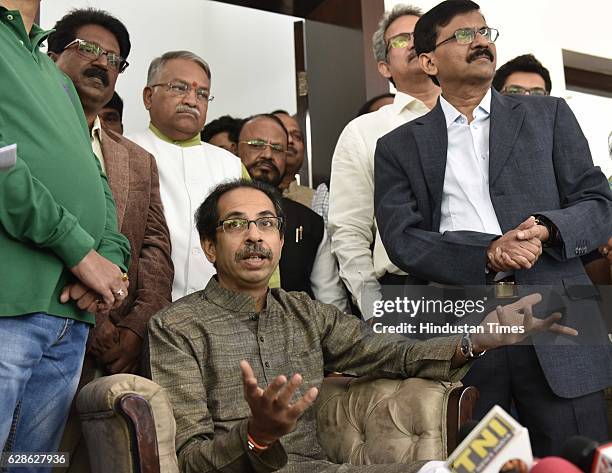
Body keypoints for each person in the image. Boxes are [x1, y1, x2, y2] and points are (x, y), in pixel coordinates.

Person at [147, 178, 574, 473]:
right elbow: (189, 460)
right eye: (236, 225)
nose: (254, 236)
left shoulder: (304, 312)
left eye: (267, 224)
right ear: (209, 246)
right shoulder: (177, 327)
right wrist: (257, 435)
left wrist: (476, 338)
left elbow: (391, 351)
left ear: (279, 241)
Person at [375, 0, 612, 455]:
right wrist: (487, 254)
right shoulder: (398, 146)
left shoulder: (550, 116)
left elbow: (598, 203)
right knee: (479, 461)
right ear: (428, 61)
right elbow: (402, 238)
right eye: (464, 35)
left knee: (578, 458)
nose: (481, 41)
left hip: (559, 310)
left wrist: (545, 226)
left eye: (486, 32)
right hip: (464, 321)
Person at [0, 0, 130, 461]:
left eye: (113, 58)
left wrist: (110, 261)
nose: (101, 62)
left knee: (33, 464)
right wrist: (79, 252)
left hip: (72, 319)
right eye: (88, 47)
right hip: (11, 303)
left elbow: (99, 184)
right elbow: (1, 168)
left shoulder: (52, 78)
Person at [328, 4, 440, 318]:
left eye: (423, 36)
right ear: (384, 67)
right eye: (402, 40)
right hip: (406, 292)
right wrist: (377, 311)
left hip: (484, 283)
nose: (416, 43)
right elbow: (350, 231)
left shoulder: (475, 121)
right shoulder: (364, 131)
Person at [127, 51, 245, 301]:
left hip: (219, 314)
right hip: (136, 311)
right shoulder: (122, 150)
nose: (192, 100)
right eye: (179, 88)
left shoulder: (232, 165)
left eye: (202, 93)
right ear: (149, 96)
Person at [237, 114, 348, 311]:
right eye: (256, 144)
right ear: (235, 149)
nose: (267, 155)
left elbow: (330, 301)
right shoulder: (213, 212)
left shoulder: (308, 221)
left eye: (277, 149)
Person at [272, 110, 314, 208]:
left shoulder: (317, 200)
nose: (290, 140)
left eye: (297, 136)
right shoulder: (246, 195)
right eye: (282, 134)